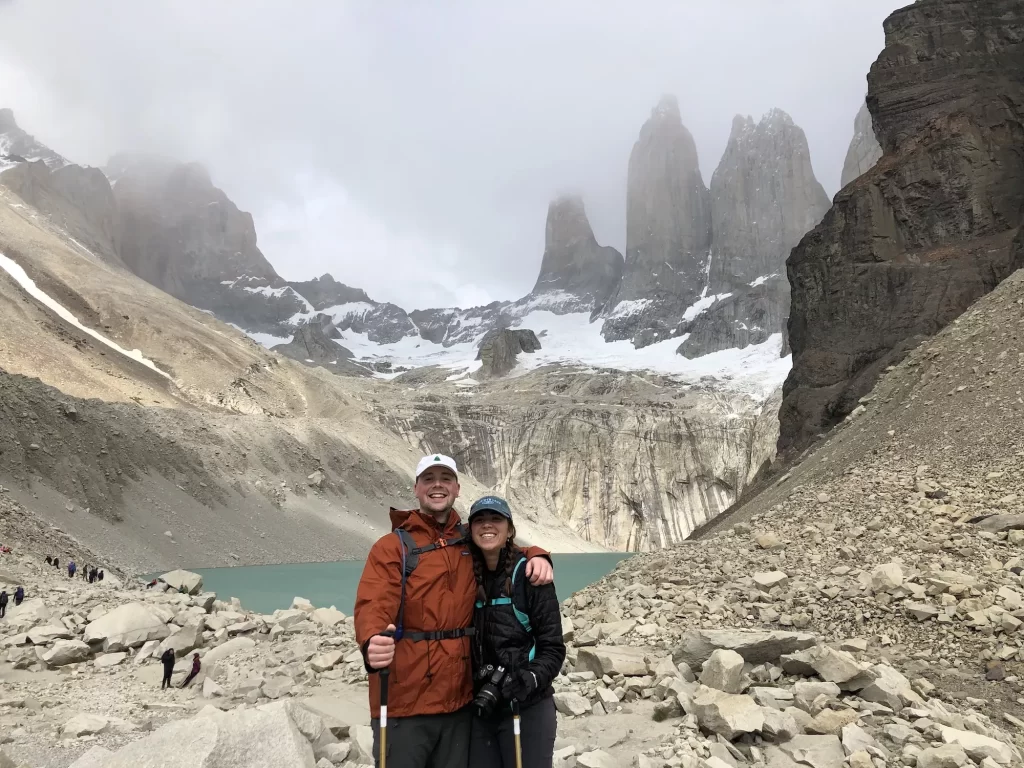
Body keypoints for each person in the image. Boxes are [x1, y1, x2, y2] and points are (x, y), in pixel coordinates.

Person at [355, 453, 554, 768]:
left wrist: (538, 554)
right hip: (406, 702)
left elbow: (500, 543)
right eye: (429, 479)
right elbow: (374, 602)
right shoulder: (392, 547)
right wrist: (371, 640)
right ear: (417, 488)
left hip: (460, 703)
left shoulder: (466, 540)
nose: (437, 486)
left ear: (457, 488)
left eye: (445, 479)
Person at [466, 496, 565, 768]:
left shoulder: (530, 575)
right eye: (480, 520)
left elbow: (553, 647)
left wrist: (529, 678)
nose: (487, 525)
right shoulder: (462, 571)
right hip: (480, 707)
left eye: (496, 519)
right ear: (470, 528)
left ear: (509, 529)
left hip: (526, 707)